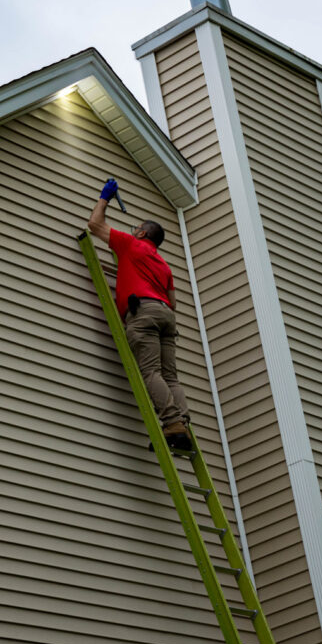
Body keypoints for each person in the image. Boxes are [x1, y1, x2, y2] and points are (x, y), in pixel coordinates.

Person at [87, 179, 192, 450]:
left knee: (151, 372)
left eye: (137, 229)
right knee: (171, 376)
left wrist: (104, 198)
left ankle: (172, 423)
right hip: (167, 317)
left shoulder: (132, 245)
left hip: (143, 312)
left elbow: (95, 225)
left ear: (143, 234)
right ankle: (182, 423)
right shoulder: (164, 266)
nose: (133, 231)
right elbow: (173, 302)